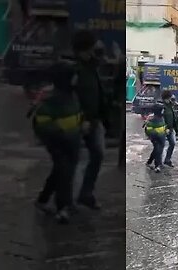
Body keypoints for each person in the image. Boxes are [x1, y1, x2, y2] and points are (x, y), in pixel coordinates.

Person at [32, 62, 82, 224]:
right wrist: (61, 134)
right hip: (59, 143)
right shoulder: (52, 100)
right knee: (65, 171)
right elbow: (44, 125)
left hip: (72, 139)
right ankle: (62, 207)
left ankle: (43, 200)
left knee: (60, 171)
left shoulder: (71, 95)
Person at [72, 29, 107, 210]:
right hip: (80, 121)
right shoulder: (76, 69)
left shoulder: (92, 65)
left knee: (98, 155)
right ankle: (66, 199)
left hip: (94, 120)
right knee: (73, 160)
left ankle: (85, 194)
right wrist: (83, 119)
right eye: (92, 46)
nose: (96, 48)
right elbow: (73, 97)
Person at [144, 103, 166, 173]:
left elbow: (163, 125)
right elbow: (149, 130)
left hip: (162, 136)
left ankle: (149, 162)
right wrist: (155, 135)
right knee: (158, 150)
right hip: (155, 138)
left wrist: (165, 130)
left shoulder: (161, 117)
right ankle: (157, 166)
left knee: (157, 150)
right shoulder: (152, 119)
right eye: (162, 110)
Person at [161, 90, 178, 167]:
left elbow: (172, 116)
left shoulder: (170, 105)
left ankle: (167, 159)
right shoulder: (162, 106)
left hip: (170, 128)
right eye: (169, 97)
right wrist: (165, 128)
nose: (170, 99)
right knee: (161, 145)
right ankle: (158, 162)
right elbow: (161, 118)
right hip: (164, 129)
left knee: (172, 143)